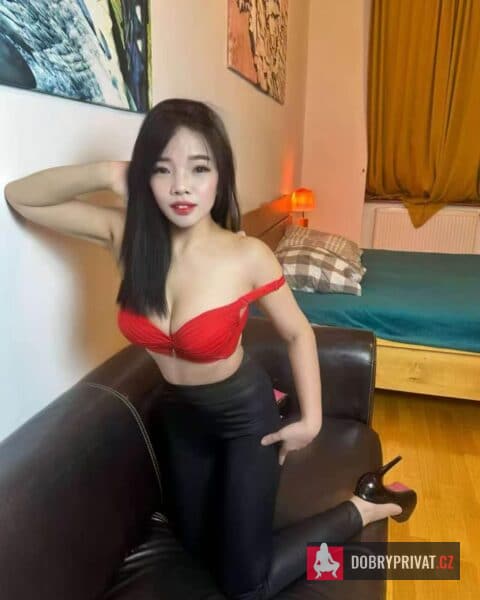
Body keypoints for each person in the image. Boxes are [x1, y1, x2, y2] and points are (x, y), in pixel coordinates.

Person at [4, 98, 417, 599]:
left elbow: (297, 333)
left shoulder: (247, 255)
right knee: (195, 546)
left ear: (220, 176)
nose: (181, 186)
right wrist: (109, 173)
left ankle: (360, 508)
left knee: (247, 586)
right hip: (180, 417)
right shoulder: (125, 236)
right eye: (163, 169)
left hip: (244, 418)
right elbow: (21, 197)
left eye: (199, 169)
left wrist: (310, 420)